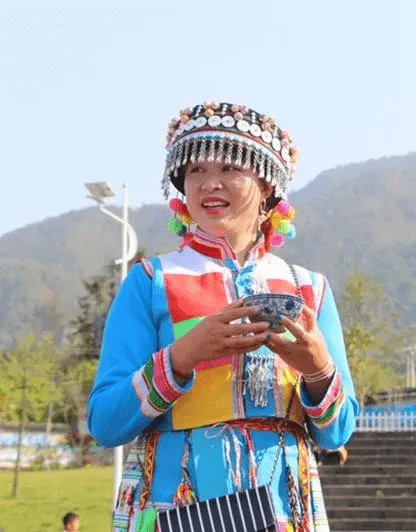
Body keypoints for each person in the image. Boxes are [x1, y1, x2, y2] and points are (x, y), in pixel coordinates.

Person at [88, 102, 358, 532]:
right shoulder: (149, 282)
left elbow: (337, 433)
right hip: (176, 505)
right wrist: (181, 359)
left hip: (284, 507)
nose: (210, 183)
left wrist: (317, 370)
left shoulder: (310, 288)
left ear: (268, 186)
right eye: (195, 170)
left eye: (231, 167)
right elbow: (104, 422)